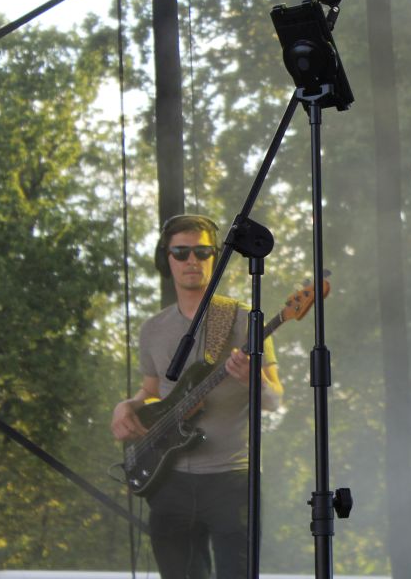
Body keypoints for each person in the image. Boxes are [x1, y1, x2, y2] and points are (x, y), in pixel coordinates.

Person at [110, 214, 283, 579]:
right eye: (181, 252)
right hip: (168, 478)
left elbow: (274, 400)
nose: (192, 260)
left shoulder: (244, 319)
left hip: (230, 479)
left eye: (202, 252)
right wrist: (128, 406)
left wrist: (253, 379)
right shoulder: (152, 329)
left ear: (214, 257)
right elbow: (151, 391)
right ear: (166, 259)